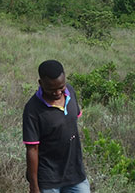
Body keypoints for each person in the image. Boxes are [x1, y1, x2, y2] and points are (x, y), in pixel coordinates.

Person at [23, 60, 89, 193]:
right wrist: (34, 186)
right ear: (41, 83)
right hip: (48, 179)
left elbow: (72, 123)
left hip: (75, 174)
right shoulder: (33, 110)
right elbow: (32, 149)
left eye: (61, 87)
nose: (58, 92)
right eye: (52, 89)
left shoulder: (70, 91)